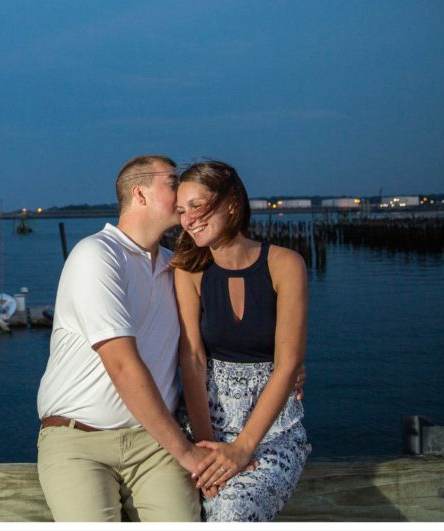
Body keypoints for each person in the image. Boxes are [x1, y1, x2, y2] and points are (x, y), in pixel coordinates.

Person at [35, 154, 209, 522]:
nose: (183, 191)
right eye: (172, 182)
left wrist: (285, 367)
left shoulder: (173, 265)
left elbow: (215, 337)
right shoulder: (95, 255)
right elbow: (122, 364)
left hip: (154, 442)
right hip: (78, 441)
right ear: (140, 194)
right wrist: (189, 454)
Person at [171, 159, 311, 521]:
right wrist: (206, 447)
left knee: (235, 509)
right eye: (181, 210)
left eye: (197, 205)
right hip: (204, 427)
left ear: (231, 201)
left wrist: (242, 448)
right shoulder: (189, 271)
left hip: (272, 432)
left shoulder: (286, 264)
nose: (188, 219)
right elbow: (193, 359)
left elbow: (289, 364)